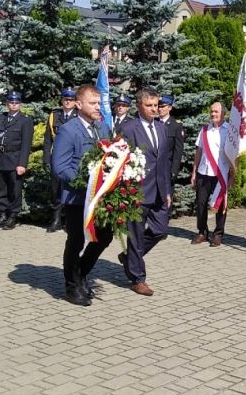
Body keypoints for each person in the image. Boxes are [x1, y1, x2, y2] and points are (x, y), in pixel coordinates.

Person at [51, 85, 114, 306]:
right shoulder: (68, 130)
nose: (98, 107)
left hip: (100, 197)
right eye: (93, 103)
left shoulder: (103, 128)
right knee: (76, 241)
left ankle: (82, 273)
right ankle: (71, 287)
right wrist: (86, 184)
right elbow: (59, 166)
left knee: (104, 236)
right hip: (78, 197)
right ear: (79, 104)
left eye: (99, 103)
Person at [117, 88, 171, 296]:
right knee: (137, 236)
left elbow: (163, 160)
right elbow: (119, 160)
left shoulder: (162, 128)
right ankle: (137, 279)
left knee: (160, 231)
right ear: (139, 106)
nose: (154, 109)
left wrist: (166, 189)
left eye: (156, 105)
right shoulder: (129, 128)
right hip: (137, 191)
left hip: (158, 190)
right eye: (149, 105)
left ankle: (130, 257)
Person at [0, 91, 33, 230]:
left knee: (14, 190)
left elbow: (26, 144)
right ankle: (2, 215)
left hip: (15, 160)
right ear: (7, 104)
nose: (14, 105)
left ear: (20, 104)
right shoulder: (0, 118)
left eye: (16, 103)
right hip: (0, 159)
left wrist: (22, 164)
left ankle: (12, 216)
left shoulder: (25, 120)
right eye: (11, 102)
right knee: (0, 190)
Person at [190, 102, 232, 247]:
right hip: (204, 172)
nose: (213, 114)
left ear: (223, 114)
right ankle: (202, 232)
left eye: (216, 112)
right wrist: (194, 172)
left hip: (221, 174)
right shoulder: (204, 130)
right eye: (211, 111)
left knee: (220, 205)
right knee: (201, 204)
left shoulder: (229, 131)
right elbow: (199, 151)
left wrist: (232, 177)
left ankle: (218, 234)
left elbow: (234, 156)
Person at [43, 87, 78, 232]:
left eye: (71, 100)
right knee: (56, 190)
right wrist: (46, 159)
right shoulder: (54, 115)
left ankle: (70, 221)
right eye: (65, 99)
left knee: (72, 190)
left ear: (75, 102)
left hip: (73, 160)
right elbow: (47, 140)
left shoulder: (79, 116)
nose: (68, 102)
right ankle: (56, 220)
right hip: (57, 159)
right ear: (62, 100)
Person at [158, 95, 185, 190]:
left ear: (169, 108)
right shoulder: (153, 123)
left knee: (166, 200)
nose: (159, 109)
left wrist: (174, 171)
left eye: (162, 106)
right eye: (158, 106)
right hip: (153, 169)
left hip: (167, 169)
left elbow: (178, 151)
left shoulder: (176, 126)